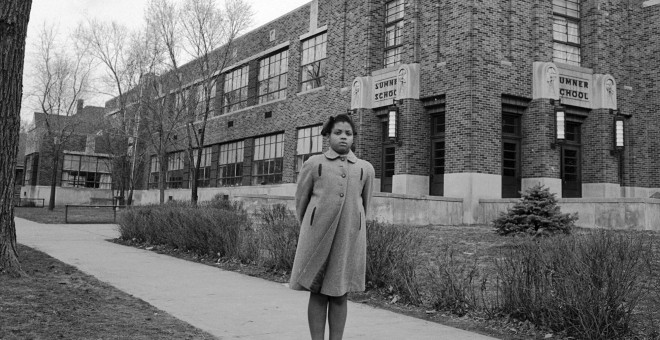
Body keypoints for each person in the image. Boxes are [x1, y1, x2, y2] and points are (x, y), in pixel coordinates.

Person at [289, 113, 375, 340]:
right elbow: (301, 202)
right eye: (338, 132)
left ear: (354, 137)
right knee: (317, 293)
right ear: (328, 135)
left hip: (348, 238)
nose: (343, 137)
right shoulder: (313, 164)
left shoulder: (365, 169)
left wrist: (354, 226)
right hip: (317, 237)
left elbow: (365, 205)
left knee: (339, 294)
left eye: (348, 133)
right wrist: (312, 225)